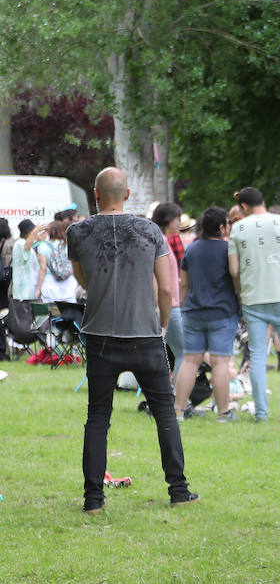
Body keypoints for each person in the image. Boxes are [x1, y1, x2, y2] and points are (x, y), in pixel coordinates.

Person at [67, 167, 196, 514]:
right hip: (145, 333)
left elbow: (85, 281)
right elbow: (168, 288)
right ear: (126, 195)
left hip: (99, 335)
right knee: (165, 413)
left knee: (98, 417)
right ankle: (179, 490)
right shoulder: (149, 230)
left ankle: (93, 499)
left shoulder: (77, 232)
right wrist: (163, 324)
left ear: (96, 195)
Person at [228, 187, 280, 423]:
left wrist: (241, 294)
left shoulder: (238, 228)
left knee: (258, 354)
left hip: (253, 298)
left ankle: (261, 412)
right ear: (263, 201)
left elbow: (234, 270)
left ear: (243, 207)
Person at [175, 207, 240, 421]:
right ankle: (224, 412)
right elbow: (235, 277)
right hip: (222, 312)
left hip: (193, 312)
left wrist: (185, 307)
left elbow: (184, 284)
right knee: (220, 363)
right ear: (222, 227)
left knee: (190, 361)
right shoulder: (228, 249)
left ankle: (178, 410)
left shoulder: (192, 249)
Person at [150, 203, 186, 381]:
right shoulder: (161, 243)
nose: (180, 223)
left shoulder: (163, 241)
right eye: (178, 219)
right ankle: (178, 397)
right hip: (169, 306)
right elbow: (159, 281)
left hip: (171, 303)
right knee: (184, 352)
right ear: (168, 220)